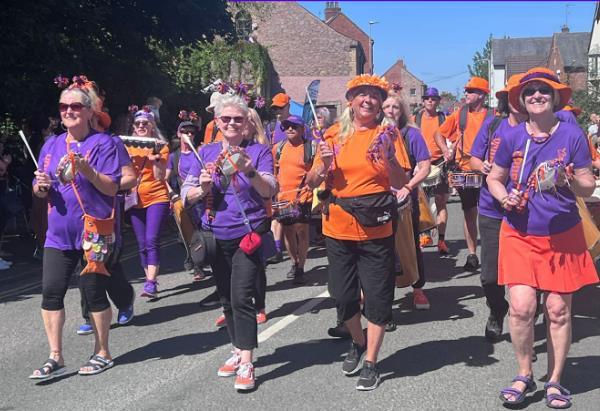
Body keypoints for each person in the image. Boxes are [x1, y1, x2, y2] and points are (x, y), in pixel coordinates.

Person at [487, 67, 598, 408]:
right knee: (521, 308)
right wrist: (503, 197)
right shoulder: (511, 136)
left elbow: (587, 184)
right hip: (519, 233)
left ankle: (554, 380)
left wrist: (568, 181)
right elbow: (494, 178)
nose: (537, 95)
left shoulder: (572, 134)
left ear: (554, 97)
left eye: (544, 90)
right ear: (521, 100)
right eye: (530, 91)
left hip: (562, 235)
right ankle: (524, 373)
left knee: (558, 310)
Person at [306, 74, 408, 391]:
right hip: (337, 228)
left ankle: (371, 362)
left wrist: (389, 157)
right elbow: (311, 182)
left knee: (377, 299)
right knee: (342, 295)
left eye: (374, 95)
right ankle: (358, 340)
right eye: (362, 94)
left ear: (380, 104)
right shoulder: (333, 134)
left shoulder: (387, 134)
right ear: (350, 100)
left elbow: (401, 181)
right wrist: (322, 165)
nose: (368, 100)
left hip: (376, 229)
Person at [181, 94, 278, 391]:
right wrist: (201, 188)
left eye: (238, 118)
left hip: (247, 235)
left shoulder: (258, 151)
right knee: (226, 298)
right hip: (215, 235)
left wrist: (249, 170)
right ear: (217, 122)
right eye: (226, 119)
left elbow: (269, 189)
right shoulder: (206, 152)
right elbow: (185, 194)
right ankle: (237, 349)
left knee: (241, 297)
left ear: (247, 122)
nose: (232, 123)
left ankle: (247, 361)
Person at [29, 79, 121, 379]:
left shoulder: (105, 144)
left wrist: (87, 171)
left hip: (93, 232)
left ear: (89, 111)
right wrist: (40, 187)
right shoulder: (51, 144)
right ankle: (55, 356)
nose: (68, 111)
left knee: (93, 293)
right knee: (50, 293)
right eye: (63, 106)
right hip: (58, 234)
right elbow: (40, 188)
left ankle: (102, 351)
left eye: (75, 106)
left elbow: (112, 188)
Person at [470, 73, 527, 342]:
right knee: (490, 277)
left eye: (520, 94)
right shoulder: (493, 126)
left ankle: (525, 330)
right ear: (505, 99)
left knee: (525, 279)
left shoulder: (536, 129)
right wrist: (482, 166)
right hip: (491, 209)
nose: (516, 100)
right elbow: (473, 158)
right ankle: (497, 308)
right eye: (510, 95)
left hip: (526, 212)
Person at [77, 102, 137, 334]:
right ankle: (90, 314)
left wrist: (106, 184)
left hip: (105, 212)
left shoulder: (112, 143)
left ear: (98, 121)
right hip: (77, 214)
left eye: (92, 119)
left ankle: (124, 299)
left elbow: (130, 177)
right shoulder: (70, 143)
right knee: (83, 261)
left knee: (104, 260)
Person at [435, 77, 493, 271]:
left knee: (488, 214)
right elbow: (439, 134)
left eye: (471, 91)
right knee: (469, 212)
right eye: (466, 90)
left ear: (482, 95)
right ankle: (472, 254)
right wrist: (445, 150)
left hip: (487, 173)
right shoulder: (460, 114)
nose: (466, 93)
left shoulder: (493, 116)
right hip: (464, 171)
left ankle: (491, 254)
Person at [382, 94, 432, 312]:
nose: (390, 111)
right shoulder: (373, 133)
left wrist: (408, 187)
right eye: (386, 106)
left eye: (395, 107)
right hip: (378, 200)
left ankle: (418, 289)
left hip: (406, 199)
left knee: (410, 246)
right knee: (382, 250)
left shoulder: (412, 134)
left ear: (402, 111)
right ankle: (383, 299)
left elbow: (425, 167)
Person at [125, 107, 170, 299]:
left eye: (145, 123)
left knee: (151, 239)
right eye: (138, 123)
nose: (141, 126)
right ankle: (149, 280)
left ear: (152, 126)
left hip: (157, 197)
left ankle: (151, 282)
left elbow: (160, 177)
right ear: (133, 127)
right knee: (142, 243)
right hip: (134, 200)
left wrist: (156, 160)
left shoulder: (161, 146)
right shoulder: (126, 147)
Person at [273, 115, 314, 285]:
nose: (290, 129)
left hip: (302, 197)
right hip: (283, 198)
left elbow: (315, 173)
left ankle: (301, 268)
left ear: (302, 129)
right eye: (287, 126)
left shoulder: (310, 148)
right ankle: (294, 262)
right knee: (288, 232)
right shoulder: (278, 148)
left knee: (301, 231)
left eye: (294, 126)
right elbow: (274, 171)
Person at [413, 87, 450, 254]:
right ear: (423, 100)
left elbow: (455, 137)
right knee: (422, 203)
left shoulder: (444, 119)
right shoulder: (415, 119)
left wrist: (449, 151)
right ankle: (425, 236)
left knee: (441, 202)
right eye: (427, 98)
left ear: (438, 101)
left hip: (440, 163)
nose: (430, 100)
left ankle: (441, 240)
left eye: (433, 98)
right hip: (421, 164)